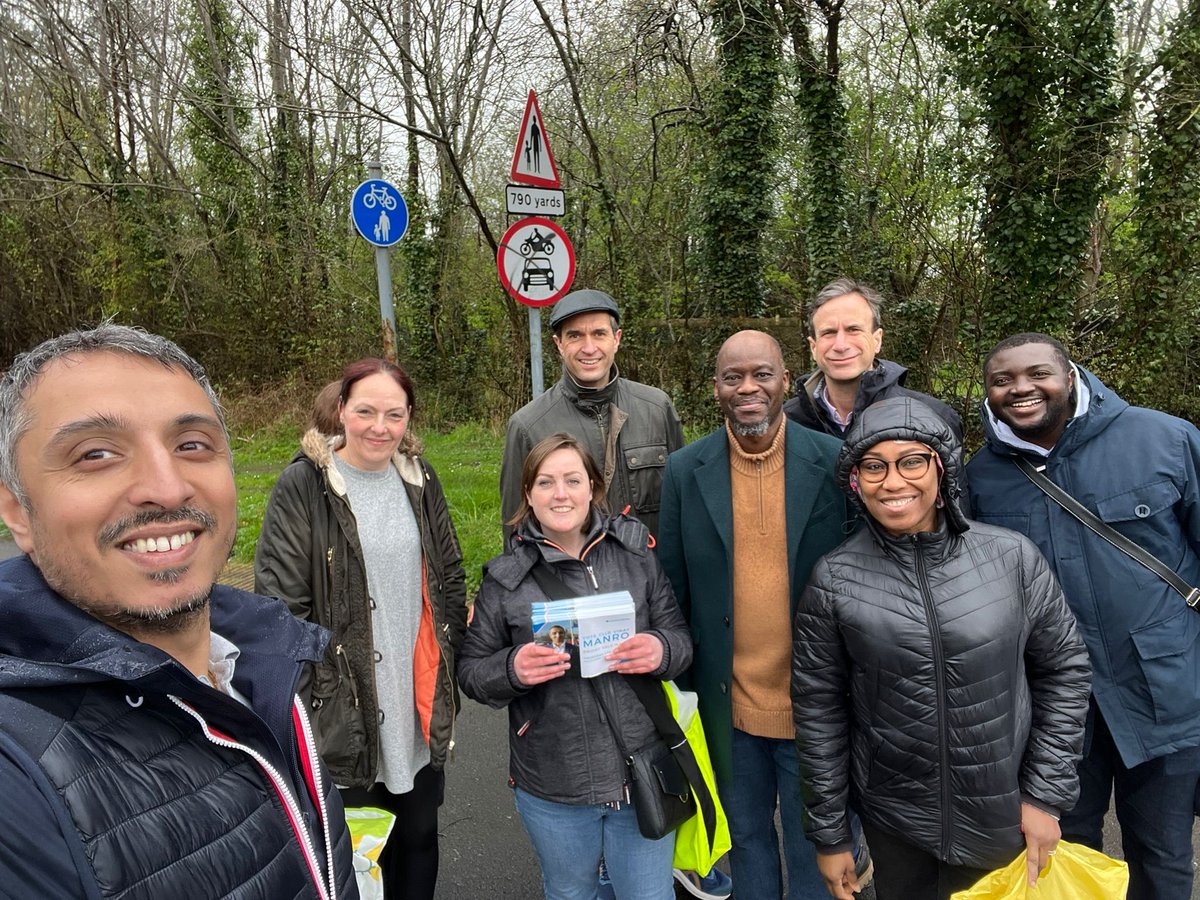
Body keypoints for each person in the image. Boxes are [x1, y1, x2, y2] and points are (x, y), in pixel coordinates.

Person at [0, 324, 356, 899]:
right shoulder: (16, 776)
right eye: (96, 454)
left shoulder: (261, 663)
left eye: (192, 445)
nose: (166, 488)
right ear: (17, 510)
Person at [794, 396, 1091, 900]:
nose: (893, 482)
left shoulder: (1011, 558)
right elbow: (820, 712)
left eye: (911, 460)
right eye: (874, 466)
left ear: (942, 467)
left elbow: (1065, 671)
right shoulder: (834, 579)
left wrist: (1045, 796)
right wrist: (831, 834)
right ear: (855, 480)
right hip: (895, 822)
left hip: (1005, 817)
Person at [967, 332, 1200, 900]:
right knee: (1063, 852)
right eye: (1003, 380)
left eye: (1037, 374)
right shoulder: (980, 476)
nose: (1021, 389)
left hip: (1164, 693)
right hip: (1054, 709)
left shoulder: (1164, 439)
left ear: (1070, 376)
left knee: (1164, 853)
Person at [657, 330, 864, 899]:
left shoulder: (831, 462)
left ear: (784, 379)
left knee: (814, 845)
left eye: (761, 375)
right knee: (743, 838)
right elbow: (671, 591)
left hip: (815, 703)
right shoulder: (683, 470)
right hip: (728, 705)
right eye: (733, 377)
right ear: (716, 388)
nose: (748, 388)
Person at [255, 358, 467, 900]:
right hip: (340, 705)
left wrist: (449, 661)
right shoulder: (305, 486)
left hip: (414, 696)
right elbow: (281, 608)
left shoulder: (419, 478)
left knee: (419, 834)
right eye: (366, 411)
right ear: (342, 410)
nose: (380, 427)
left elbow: (450, 574)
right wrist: (310, 704)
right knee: (356, 850)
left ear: (409, 418)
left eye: (393, 414)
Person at [459, 433, 693, 900]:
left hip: (638, 767)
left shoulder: (636, 556)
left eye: (572, 480)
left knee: (648, 895)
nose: (560, 494)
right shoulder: (506, 580)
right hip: (552, 778)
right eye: (545, 483)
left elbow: (681, 640)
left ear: (593, 488)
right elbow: (471, 672)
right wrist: (512, 669)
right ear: (528, 495)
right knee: (570, 893)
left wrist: (660, 651)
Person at [500, 289, 684, 543]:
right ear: (559, 345)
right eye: (575, 336)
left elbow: (683, 506)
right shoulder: (527, 426)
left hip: (652, 575)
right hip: (569, 579)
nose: (589, 348)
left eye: (599, 334)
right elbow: (516, 531)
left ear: (616, 339)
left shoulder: (656, 408)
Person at [784, 277, 962, 443]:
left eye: (853, 329)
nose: (840, 345)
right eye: (828, 332)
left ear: (877, 340)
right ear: (813, 347)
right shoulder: (786, 423)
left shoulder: (933, 418)